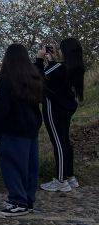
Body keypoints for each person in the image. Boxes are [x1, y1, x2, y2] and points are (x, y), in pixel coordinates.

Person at [0, 44, 44, 217]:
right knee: (30, 166)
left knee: (12, 166)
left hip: (12, 128)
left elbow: (1, 107)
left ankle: (17, 200)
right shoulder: (33, 76)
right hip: (31, 128)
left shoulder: (7, 78)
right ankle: (28, 199)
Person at [37, 38, 85, 192]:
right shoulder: (76, 67)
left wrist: (39, 58)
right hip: (67, 109)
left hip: (54, 109)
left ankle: (60, 180)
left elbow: (38, 77)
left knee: (58, 142)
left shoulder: (58, 68)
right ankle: (70, 177)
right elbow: (56, 77)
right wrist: (52, 60)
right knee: (65, 141)